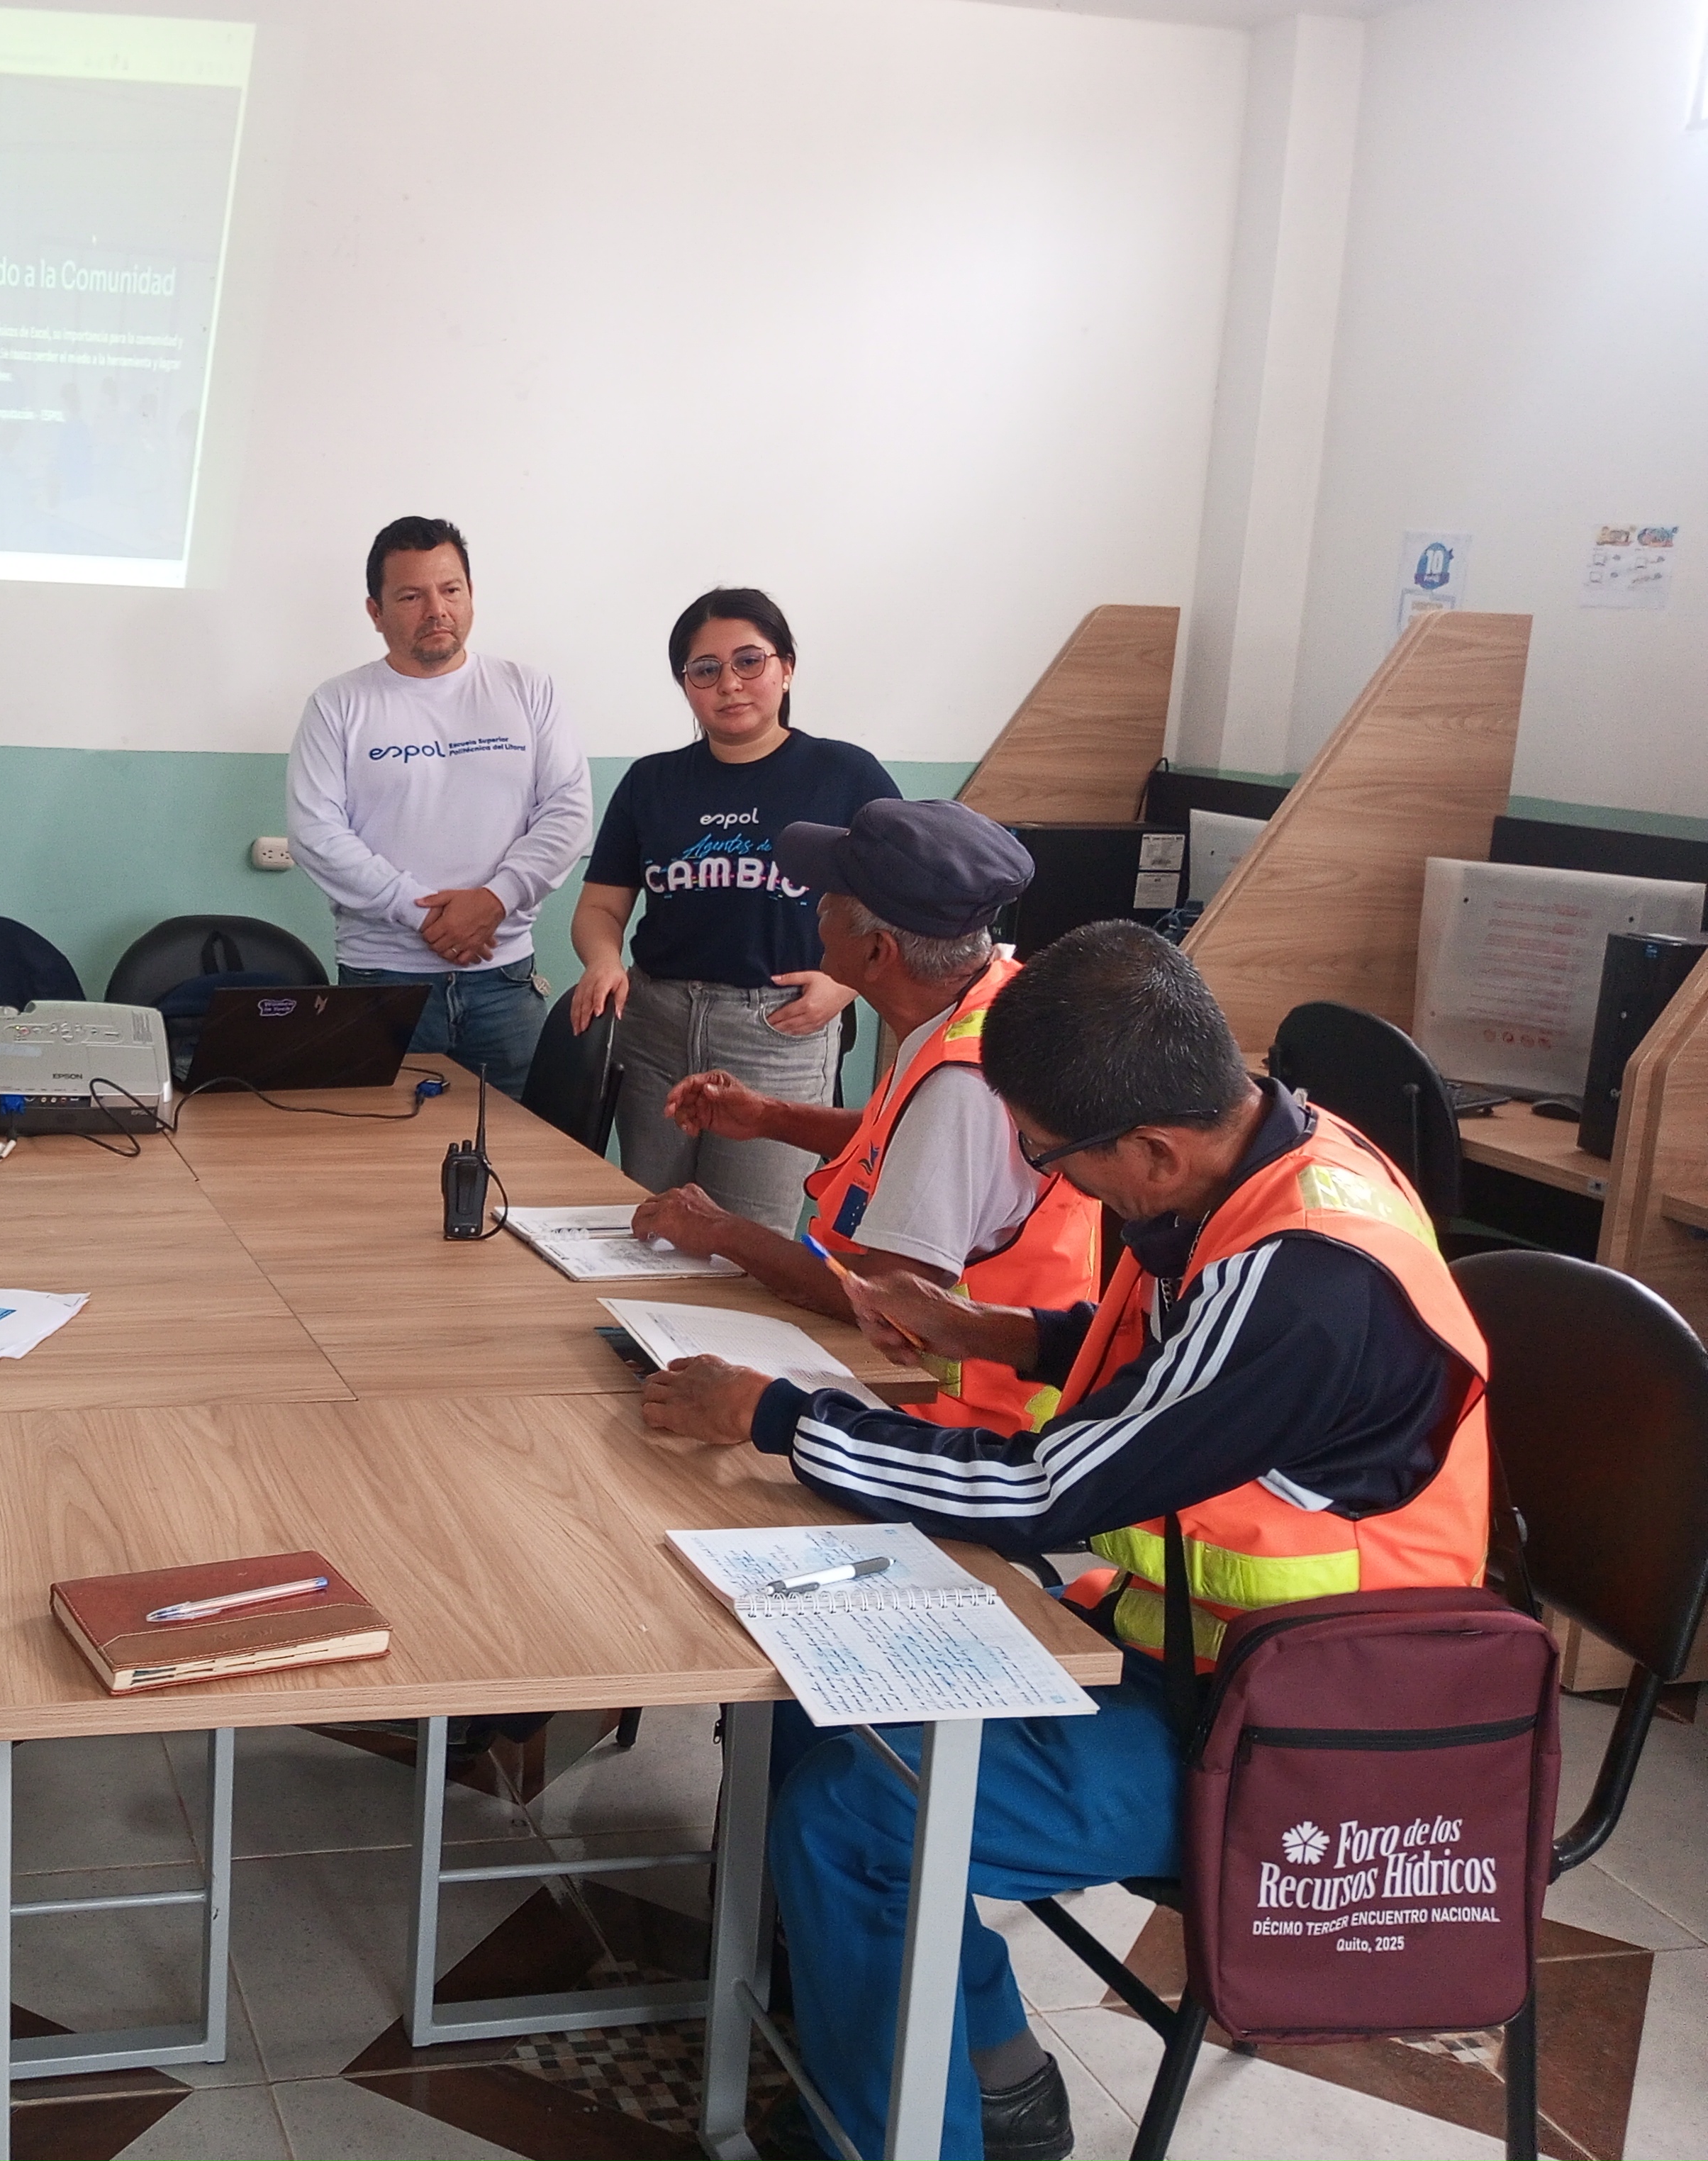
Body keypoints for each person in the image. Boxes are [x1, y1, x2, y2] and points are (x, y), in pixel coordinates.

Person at [638, 922, 1489, 2161]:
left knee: (856, 1818)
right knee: (818, 1695)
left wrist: (775, 1416)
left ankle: (902, 2134)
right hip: (1186, 1656)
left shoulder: (1307, 1282)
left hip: (1293, 1734)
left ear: (1151, 1147)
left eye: (1049, 1157)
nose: (1053, 1182)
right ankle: (984, 2070)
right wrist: (993, 1332)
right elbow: (1178, 1361)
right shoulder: (1267, 1157)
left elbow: (1044, 1486)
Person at [628, 798, 1100, 1431]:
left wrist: (720, 1231)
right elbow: (912, 1147)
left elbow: (888, 1296)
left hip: (946, 1420)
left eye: (831, 898)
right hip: (904, 1389)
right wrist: (769, 1116)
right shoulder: (987, 1000)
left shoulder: (963, 1087)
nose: (816, 907)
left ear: (879, 952)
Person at [570, 588, 899, 1233]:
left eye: (750, 661)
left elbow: (908, 901)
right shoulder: (650, 782)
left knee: (750, 1237)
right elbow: (601, 907)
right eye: (706, 669)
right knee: (651, 1223)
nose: (730, 684)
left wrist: (848, 985)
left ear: (786, 668)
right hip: (656, 1024)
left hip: (779, 1031)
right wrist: (603, 962)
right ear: (685, 684)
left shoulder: (845, 774)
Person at [286, 515, 593, 1098]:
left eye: (450, 590)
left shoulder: (529, 689)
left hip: (504, 982)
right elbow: (315, 833)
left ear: (471, 593)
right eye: (411, 596)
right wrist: (421, 913)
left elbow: (568, 812)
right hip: (383, 982)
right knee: (380, 1150)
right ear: (375, 612)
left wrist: (496, 899)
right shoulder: (338, 704)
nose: (436, 610)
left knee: (518, 1147)